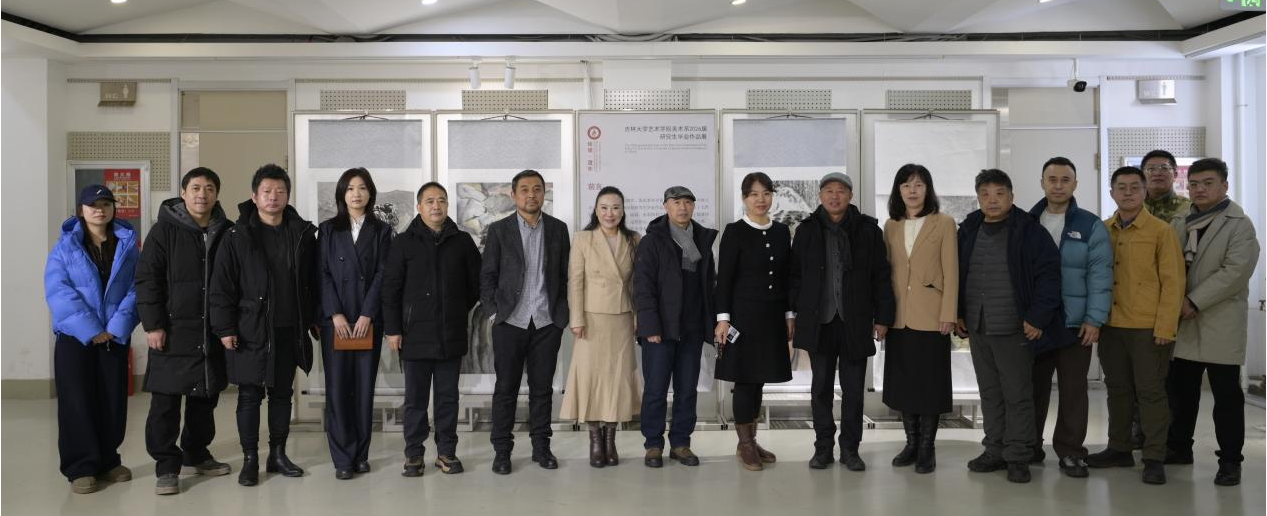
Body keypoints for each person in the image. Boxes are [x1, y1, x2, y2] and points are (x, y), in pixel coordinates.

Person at [956, 169, 1068, 484]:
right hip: (978, 325)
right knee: (990, 393)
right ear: (978, 198)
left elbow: (1049, 277)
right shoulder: (969, 228)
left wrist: (1037, 318)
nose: (992, 200)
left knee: (1017, 394)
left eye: (999, 194)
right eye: (985, 194)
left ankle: (1018, 455)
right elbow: (959, 273)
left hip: (1014, 326)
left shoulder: (1029, 231)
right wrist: (959, 312)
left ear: (1011, 196)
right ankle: (994, 449)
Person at [210, 164, 319, 487]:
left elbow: (312, 281)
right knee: (249, 396)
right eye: (267, 192)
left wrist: (313, 318)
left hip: (288, 328)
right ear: (254, 196)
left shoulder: (301, 234)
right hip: (249, 329)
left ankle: (278, 455)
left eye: (280, 192)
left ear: (288, 196)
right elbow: (221, 287)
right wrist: (225, 329)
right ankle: (250, 459)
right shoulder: (236, 236)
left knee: (282, 395)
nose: (274, 197)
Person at [136, 168, 234, 495]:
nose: (202, 194)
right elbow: (147, 279)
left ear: (216, 194)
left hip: (210, 330)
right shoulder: (163, 231)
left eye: (209, 188)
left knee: (205, 397)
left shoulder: (227, 231)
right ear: (183, 192)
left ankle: (196, 453)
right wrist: (153, 324)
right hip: (173, 329)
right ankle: (166, 466)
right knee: (165, 402)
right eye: (195, 188)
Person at [1085, 166, 1184, 485]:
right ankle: (1119, 448)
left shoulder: (1160, 231)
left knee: (1151, 392)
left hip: (1147, 328)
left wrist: (1165, 327)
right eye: (1121, 187)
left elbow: (1173, 283)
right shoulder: (1103, 230)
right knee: (1118, 391)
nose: (1127, 193)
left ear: (1144, 192)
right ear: (1111, 192)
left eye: (1134, 187)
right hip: (1111, 325)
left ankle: (1154, 456)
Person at [790, 172, 894, 472]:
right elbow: (795, 275)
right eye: (829, 191)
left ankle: (850, 449)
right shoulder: (807, 230)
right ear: (820, 196)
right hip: (819, 321)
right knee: (820, 388)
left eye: (841, 191)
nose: (834, 196)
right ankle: (823, 448)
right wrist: (794, 312)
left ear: (850, 196)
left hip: (855, 321)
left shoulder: (868, 230)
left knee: (853, 390)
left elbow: (881, 276)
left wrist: (883, 317)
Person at [1166, 158, 1260, 487]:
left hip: (1220, 319)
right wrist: (1176, 302)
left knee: (1226, 397)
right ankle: (1179, 448)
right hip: (1184, 321)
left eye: (1208, 183)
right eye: (1194, 184)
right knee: (1182, 393)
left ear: (1224, 186)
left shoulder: (1240, 224)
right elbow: (1168, 265)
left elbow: (1235, 272)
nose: (1200, 190)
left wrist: (1193, 301)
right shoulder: (1181, 221)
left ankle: (1230, 461)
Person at [44, 184, 140, 495]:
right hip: (76, 337)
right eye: (92, 205)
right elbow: (58, 292)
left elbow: (138, 288)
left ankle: (108, 461)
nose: (99, 210)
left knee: (112, 399)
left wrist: (116, 326)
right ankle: (81, 467)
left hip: (114, 334)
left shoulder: (128, 246)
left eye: (105, 204)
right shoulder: (64, 248)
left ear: (114, 209)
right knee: (77, 400)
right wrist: (91, 329)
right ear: (81, 210)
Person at [382, 182, 481, 477]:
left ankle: (446, 452)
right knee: (415, 400)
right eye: (429, 201)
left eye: (441, 200)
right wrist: (393, 329)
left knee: (448, 398)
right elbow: (390, 290)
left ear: (448, 206)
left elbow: (474, 285)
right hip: (414, 335)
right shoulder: (403, 243)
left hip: (450, 334)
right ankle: (413, 454)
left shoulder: (462, 242)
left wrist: (454, 309)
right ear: (419, 207)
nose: (436, 206)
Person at [1026, 157, 1112, 479]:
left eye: (1065, 180)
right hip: (1037, 322)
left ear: (1075, 184)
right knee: (1032, 389)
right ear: (1042, 183)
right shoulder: (1027, 222)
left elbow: (1100, 275)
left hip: (1075, 324)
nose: (1058, 186)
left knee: (1073, 390)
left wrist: (1094, 319)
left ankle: (1071, 451)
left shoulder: (1090, 225)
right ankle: (1029, 446)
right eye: (1052, 179)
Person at [481, 170, 571, 475]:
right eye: (524, 190)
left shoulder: (558, 229)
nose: (531, 195)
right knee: (505, 389)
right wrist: (494, 313)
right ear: (514, 195)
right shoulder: (499, 230)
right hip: (510, 321)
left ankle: (541, 448)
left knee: (542, 389)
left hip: (546, 322)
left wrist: (561, 317)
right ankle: (502, 451)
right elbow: (488, 275)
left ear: (544, 193)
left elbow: (565, 274)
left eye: (537, 189)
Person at [714, 172, 794, 472]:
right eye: (754, 194)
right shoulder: (735, 231)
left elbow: (787, 277)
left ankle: (751, 439)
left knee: (760, 380)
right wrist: (723, 319)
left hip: (772, 317)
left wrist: (789, 315)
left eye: (766, 193)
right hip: (743, 318)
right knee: (745, 380)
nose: (761, 200)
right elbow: (724, 279)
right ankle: (745, 444)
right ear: (744, 198)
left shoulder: (782, 231)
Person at [881, 164, 958, 475]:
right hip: (899, 317)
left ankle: (927, 447)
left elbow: (951, 271)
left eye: (918, 185)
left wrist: (949, 313)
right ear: (898, 191)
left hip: (932, 316)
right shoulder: (891, 225)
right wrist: (882, 315)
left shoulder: (944, 223)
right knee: (904, 383)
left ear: (928, 189)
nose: (912, 191)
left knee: (930, 384)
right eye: (906, 185)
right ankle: (911, 443)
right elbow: (885, 273)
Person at [635, 186, 718, 468]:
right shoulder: (652, 241)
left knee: (687, 390)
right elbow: (643, 287)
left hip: (691, 329)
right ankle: (653, 444)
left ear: (693, 207)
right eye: (676, 202)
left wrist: (711, 323)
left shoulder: (702, 240)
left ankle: (681, 443)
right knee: (656, 389)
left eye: (687, 202)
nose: (682, 207)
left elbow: (709, 285)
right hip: (660, 330)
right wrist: (650, 327)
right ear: (665, 207)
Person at [317, 168, 392, 480]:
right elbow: (321, 273)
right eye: (350, 188)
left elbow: (383, 274)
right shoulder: (328, 229)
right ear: (342, 194)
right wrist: (335, 314)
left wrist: (366, 314)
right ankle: (343, 458)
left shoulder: (382, 231)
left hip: (366, 320)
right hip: (336, 322)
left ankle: (361, 453)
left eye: (362, 188)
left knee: (363, 389)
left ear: (370, 193)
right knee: (337, 390)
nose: (356, 194)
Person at [561, 186, 642, 468]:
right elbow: (575, 281)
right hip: (591, 319)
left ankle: (611, 438)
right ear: (596, 210)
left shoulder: (633, 239)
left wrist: (638, 317)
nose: (610, 213)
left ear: (623, 211)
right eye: (604, 207)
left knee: (617, 379)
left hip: (622, 316)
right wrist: (577, 318)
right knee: (591, 378)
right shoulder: (583, 238)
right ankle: (595, 439)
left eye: (616, 207)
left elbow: (637, 284)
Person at [1141, 149, 1191, 226]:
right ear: (1142, 176)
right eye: (1151, 169)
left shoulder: (1188, 208)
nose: (1157, 173)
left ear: (1175, 175)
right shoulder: (1133, 206)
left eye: (1164, 168)